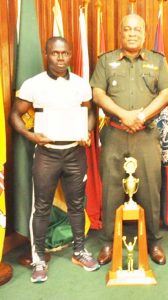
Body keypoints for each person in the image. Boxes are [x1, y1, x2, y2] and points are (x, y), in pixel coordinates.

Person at [9, 37, 100, 283]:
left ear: (70, 55)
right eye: (55, 53)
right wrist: (30, 135)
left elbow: (90, 111)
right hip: (47, 153)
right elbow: (15, 114)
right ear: (46, 54)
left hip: (74, 153)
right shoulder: (33, 85)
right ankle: (39, 259)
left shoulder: (81, 84)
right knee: (41, 207)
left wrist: (87, 131)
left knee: (76, 204)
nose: (60, 58)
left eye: (65, 53)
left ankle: (80, 250)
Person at [90, 14, 168, 266]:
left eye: (137, 29)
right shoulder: (106, 61)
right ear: (120, 32)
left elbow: (167, 93)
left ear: (145, 33)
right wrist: (124, 115)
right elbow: (97, 94)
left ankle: (154, 240)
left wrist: (141, 115)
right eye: (127, 29)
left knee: (150, 189)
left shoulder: (157, 61)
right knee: (112, 190)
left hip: (146, 134)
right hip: (115, 133)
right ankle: (107, 241)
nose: (132, 33)